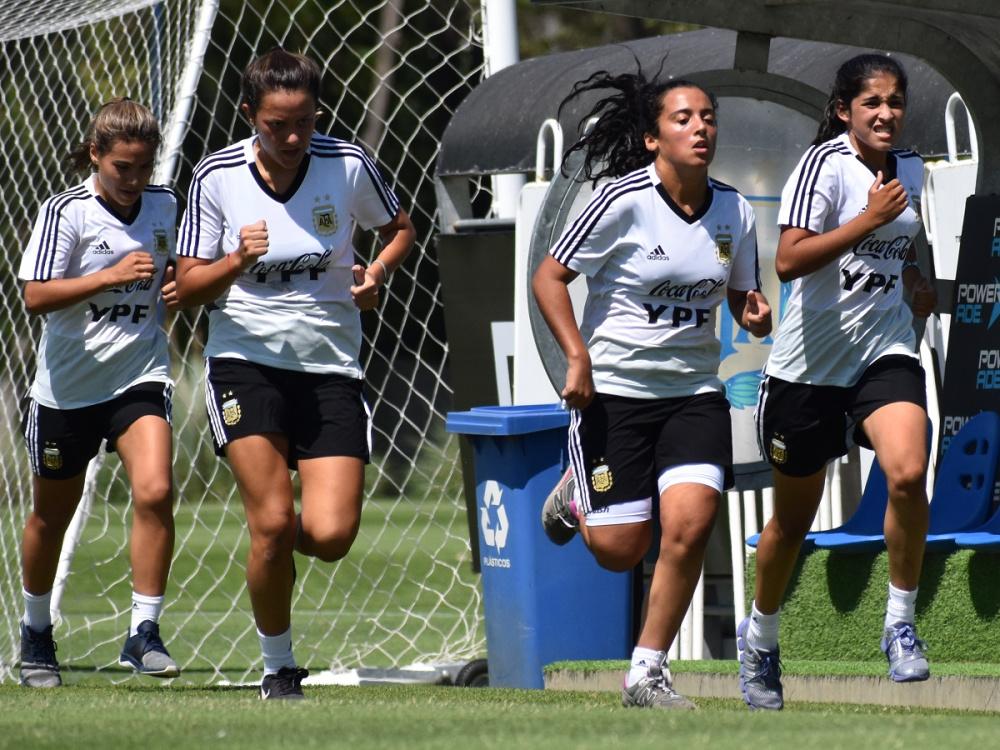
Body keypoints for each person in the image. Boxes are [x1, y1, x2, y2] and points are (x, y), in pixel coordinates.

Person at [174, 48, 416, 700]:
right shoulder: (216, 176)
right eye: (276, 125)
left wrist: (376, 273)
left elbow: (400, 228)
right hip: (244, 364)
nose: (291, 138)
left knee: (331, 536)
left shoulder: (347, 163)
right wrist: (234, 261)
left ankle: (271, 551)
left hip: (330, 366)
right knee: (275, 521)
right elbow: (187, 287)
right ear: (249, 114)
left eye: (304, 122)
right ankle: (279, 667)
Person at [534, 66, 772, 710]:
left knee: (691, 526)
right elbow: (548, 278)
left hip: (694, 393)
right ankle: (578, 493)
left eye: (708, 118)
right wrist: (577, 358)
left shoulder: (734, 209)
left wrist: (751, 309)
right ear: (651, 138)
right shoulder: (621, 201)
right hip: (615, 393)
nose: (700, 128)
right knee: (620, 550)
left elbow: (740, 290)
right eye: (683, 118)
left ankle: (646, 673)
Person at [739, 53, 938, 711]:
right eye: (871, 102)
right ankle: (760, 638)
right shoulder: (821, 166)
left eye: (895, 101)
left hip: (884, 351)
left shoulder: (912, 168)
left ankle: (900, 623)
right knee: (792, 524)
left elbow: (905, 244)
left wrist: (914, 278)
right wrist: (866, 222)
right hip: (808, 372)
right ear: (844, 109)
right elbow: (789, 260)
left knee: (908, 471)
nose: (885, 113)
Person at [17, 98, 182, 688]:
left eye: (143, 167)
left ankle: (144, 632)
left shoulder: (166, 206)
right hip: (67, 390)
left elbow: (179, 270)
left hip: (138, 375)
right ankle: (36, 632)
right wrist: (109, 276)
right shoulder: (66, 211)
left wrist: (179, 285)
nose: (133, 180)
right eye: (121, 168)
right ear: (95, 155)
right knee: (50, 517)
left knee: (156, 489)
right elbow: (35, 296)